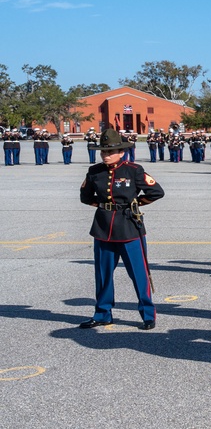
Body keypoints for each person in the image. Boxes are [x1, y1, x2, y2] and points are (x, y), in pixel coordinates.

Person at [78, 129, 164, 330]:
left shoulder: (133, 170)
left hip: (129, 228)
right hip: (103, 228)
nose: (106, 155)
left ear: (122, 152)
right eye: (103, 152)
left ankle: (147, 314)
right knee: (103, 274)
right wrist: (105, 207)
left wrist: (134, 205)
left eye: (111, 152)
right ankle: (102, 313)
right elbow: (85, 197)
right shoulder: (94, 171)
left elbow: (156, 191)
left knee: (139, 274)